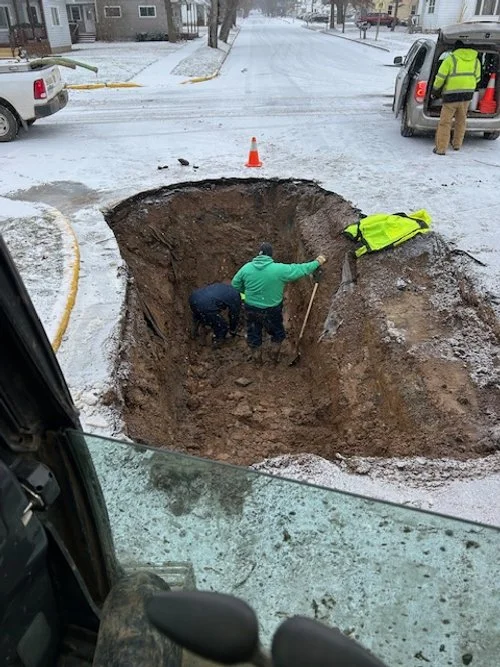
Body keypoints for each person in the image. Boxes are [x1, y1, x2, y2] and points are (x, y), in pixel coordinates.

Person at [231, 242, 326, 363]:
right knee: (277, 332)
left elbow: (235, 284)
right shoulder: (279, 269)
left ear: (258, 254)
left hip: (251, 308)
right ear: (270, 256)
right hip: (272, 309)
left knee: (254, 331)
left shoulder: (247, 268)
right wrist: (317, 262)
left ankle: (257, 359)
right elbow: (301, 269)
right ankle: (274, 357)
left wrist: (249, 293)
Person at [431, 40, 481, 155]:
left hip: (451, 96)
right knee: (461, 121)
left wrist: (435, 89)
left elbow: (440, 78)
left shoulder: (451, 59)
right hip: (467, 96)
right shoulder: (476, 61)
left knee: (445, 122)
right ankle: (457, 144)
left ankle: (441, 148)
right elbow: (478, 79)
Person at [189, 282, 241, 347]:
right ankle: (217, 341)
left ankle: (198, 319)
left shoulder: (226, 287)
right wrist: (233, 329)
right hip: (205, 306)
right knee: (222, 326)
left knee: (201, 312)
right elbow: (234, 315)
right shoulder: (236, 297)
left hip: (194, 297)